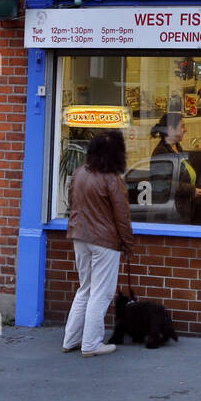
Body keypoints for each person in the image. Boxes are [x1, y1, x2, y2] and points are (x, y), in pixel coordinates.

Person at [62, 130, 134, 357]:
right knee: (101, 293)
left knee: (85, 289)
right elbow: (122, 217)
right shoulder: (113, 179)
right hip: (104, 241)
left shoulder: (79, 173)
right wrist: (128, 244)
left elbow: (73, 203)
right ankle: (91, 344)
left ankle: (70, 340)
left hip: (79, 237)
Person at [151, 111, 201, 219]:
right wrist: (191, 190)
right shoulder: (161, 153)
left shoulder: (177, 148)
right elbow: (163, 184)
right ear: (171, 130)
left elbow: (186, 174)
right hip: (172, 212)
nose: (185, 130)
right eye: (182, 126)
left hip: (184, 208)